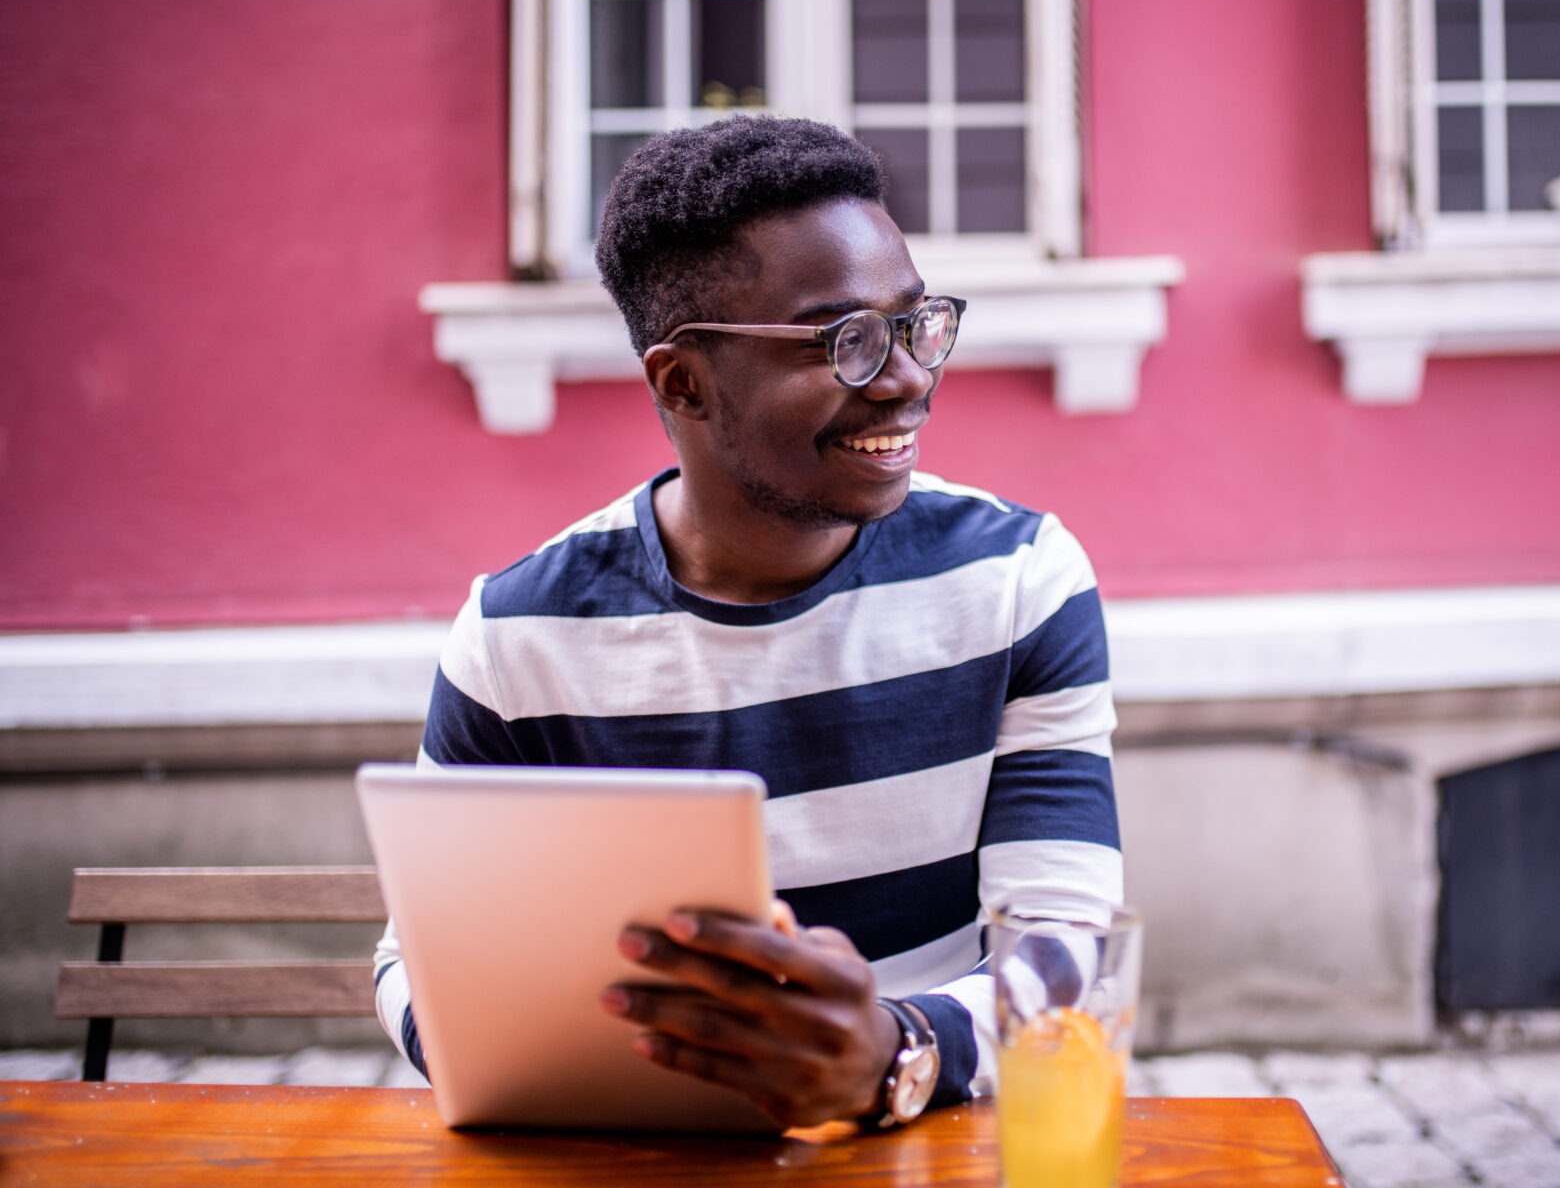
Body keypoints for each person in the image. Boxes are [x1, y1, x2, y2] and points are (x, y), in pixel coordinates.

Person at [373, 115, 1122, 1129]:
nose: (905, 375)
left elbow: (1064, 949)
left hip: (928, 1136)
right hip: (639, 1148)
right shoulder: (520, 637)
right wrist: (554, 1056)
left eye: (915, 322)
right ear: (682, 381)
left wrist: (892, 1052)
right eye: (844, 340)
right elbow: (414, 958)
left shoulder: (1017, 579)